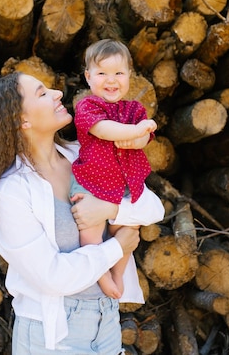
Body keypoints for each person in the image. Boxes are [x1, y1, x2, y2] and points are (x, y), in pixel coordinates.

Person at [0, 71, 164, 354]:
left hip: (107, 319)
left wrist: (109, 208)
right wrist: (117, 247)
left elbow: (152, 208)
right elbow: (53, 277)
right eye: (42, 93)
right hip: (53, 334)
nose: (57, 93)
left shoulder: (83, 156)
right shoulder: (13, 192)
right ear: (21, 120)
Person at [71, 39, 158, 299]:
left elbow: (145, 139)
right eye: (101, 73)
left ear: (129, 75)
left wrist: (139, 137)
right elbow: (102, 129)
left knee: (129, 231)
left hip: (125, 187)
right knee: (90, 228)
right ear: (88, 77)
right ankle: (101, 274)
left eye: (119, 73)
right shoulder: (88, 107)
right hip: (92, 182)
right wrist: (132, 131)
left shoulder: (134, 109)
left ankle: (119, 274)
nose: (111, 80)